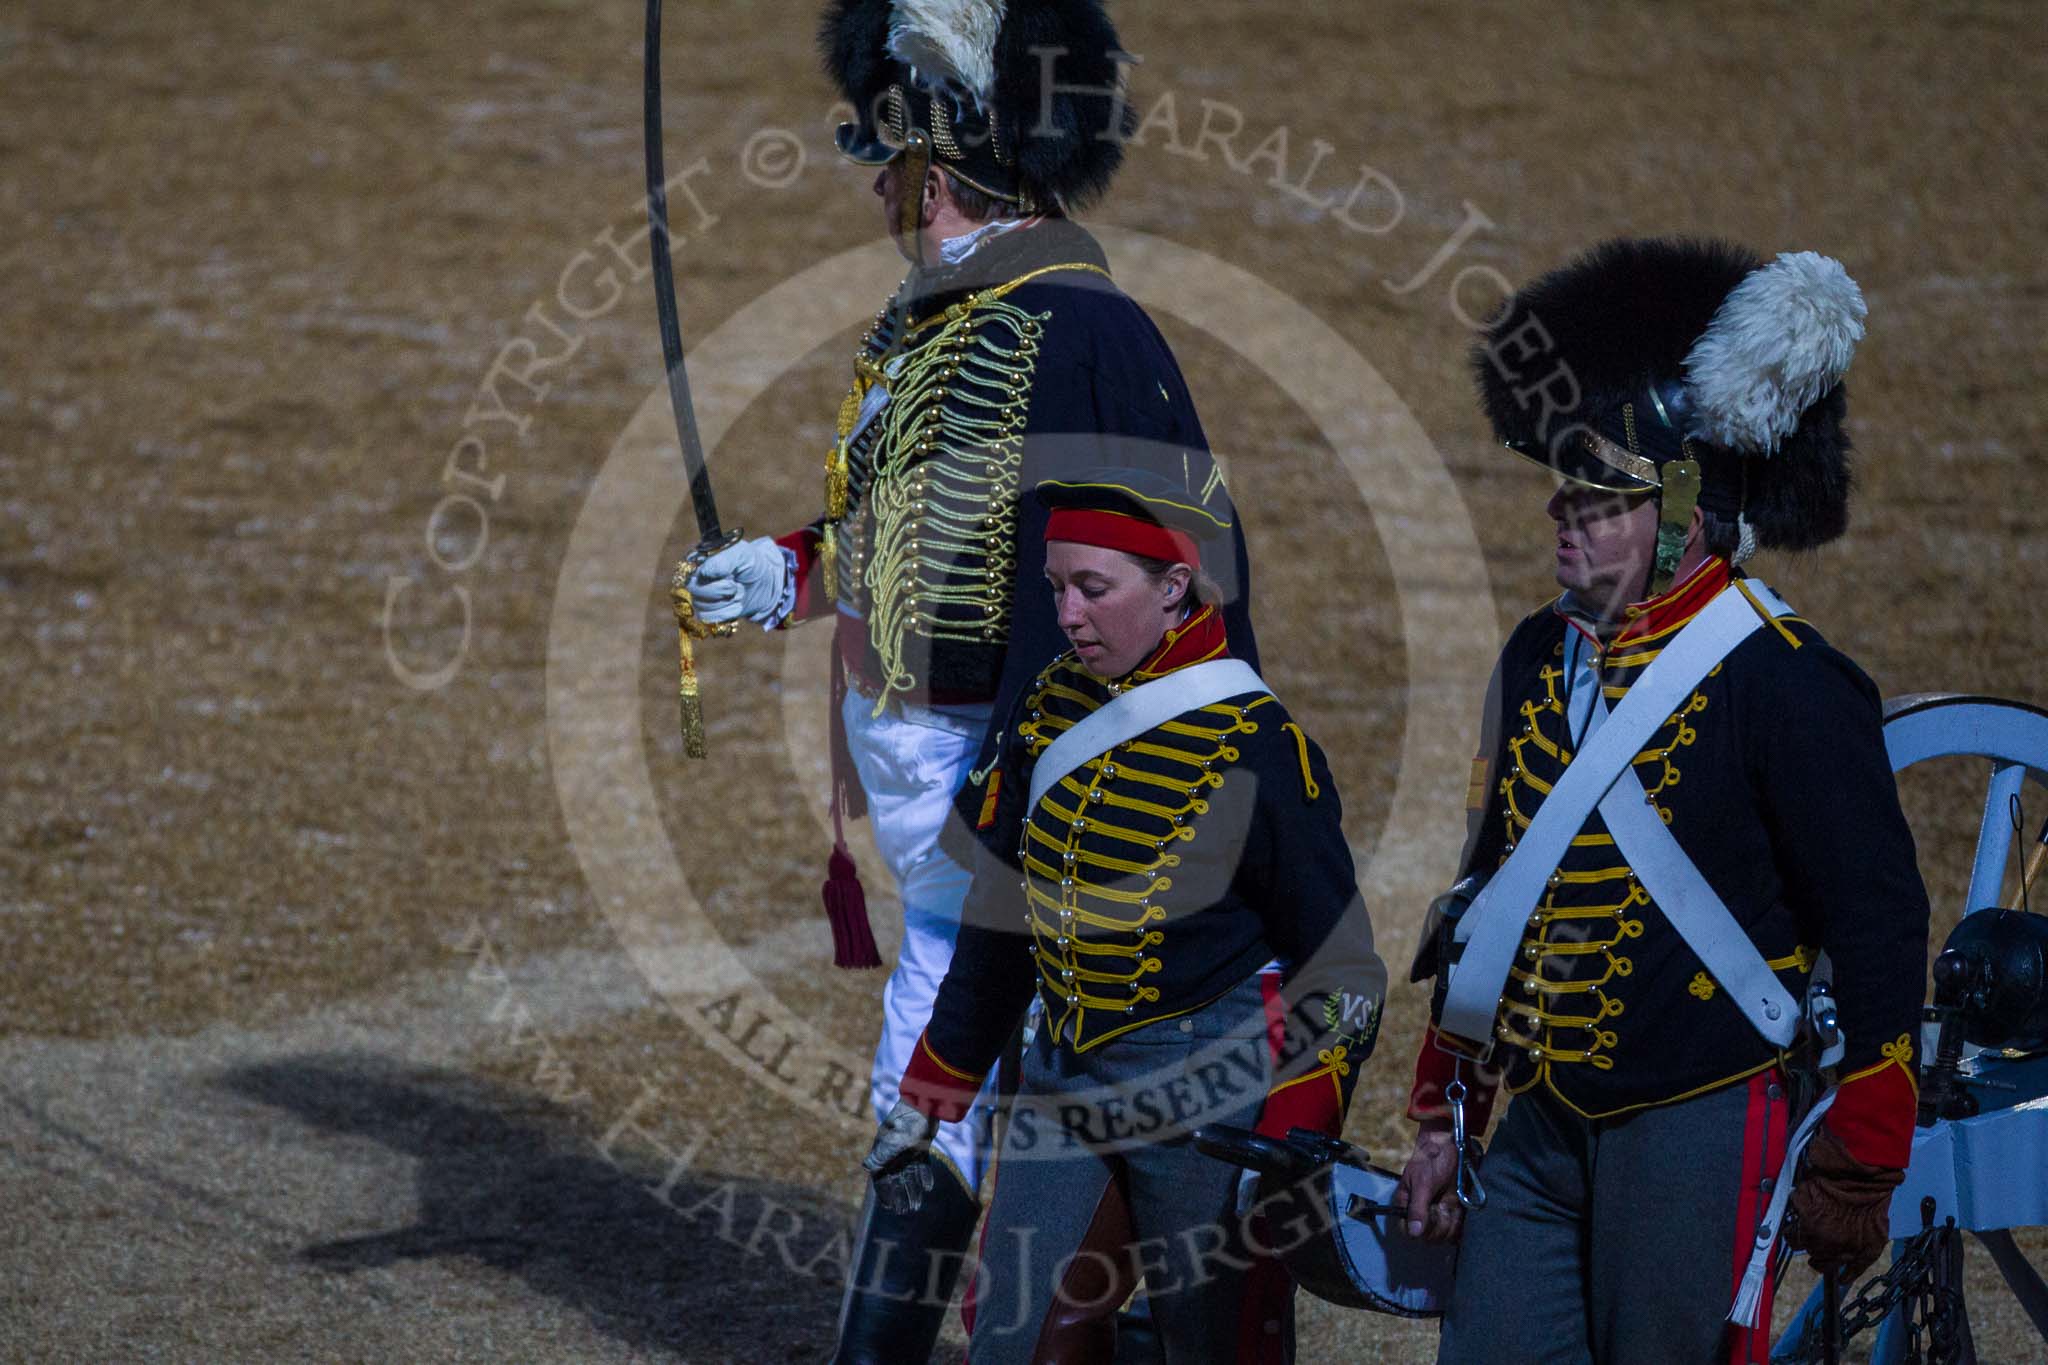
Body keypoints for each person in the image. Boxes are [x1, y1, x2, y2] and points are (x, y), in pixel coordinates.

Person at [680, 5, 1257, 1359]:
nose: (875, 192)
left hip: (1024, 790)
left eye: (885, 166)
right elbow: (926, 536)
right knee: (935, 1084)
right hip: (936, 779)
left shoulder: (1072, 329)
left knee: (981, 1094)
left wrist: (1035, 776)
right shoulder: (943, 319)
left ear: (934, 177)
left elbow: (1140, 586)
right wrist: (785, 571)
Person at [1393, 237, 1931, 1363]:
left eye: (1598, 497)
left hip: (1698, 1113)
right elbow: (1491, 889)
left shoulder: (1786, 681)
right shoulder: (1538, 657)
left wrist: (1864, 1149)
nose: (1562, 514)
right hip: (1540, 1113)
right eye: (1564, 492)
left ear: (1683, 510)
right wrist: (1441, 1110)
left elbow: (1875, 919)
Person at [861, 471, 1387, 1364]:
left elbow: (1340, 970)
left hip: (1208, 1091)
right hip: (1063, 1075)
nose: (1067, 616)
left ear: (1174, 585)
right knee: (1017, 1339)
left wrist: (1293, 1135)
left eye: (1094, 589)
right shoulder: (1045, 707)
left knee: (1212, 1345)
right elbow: (1002, 926)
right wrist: (930, 1094)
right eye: (1056, 587)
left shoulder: (1256, 743)